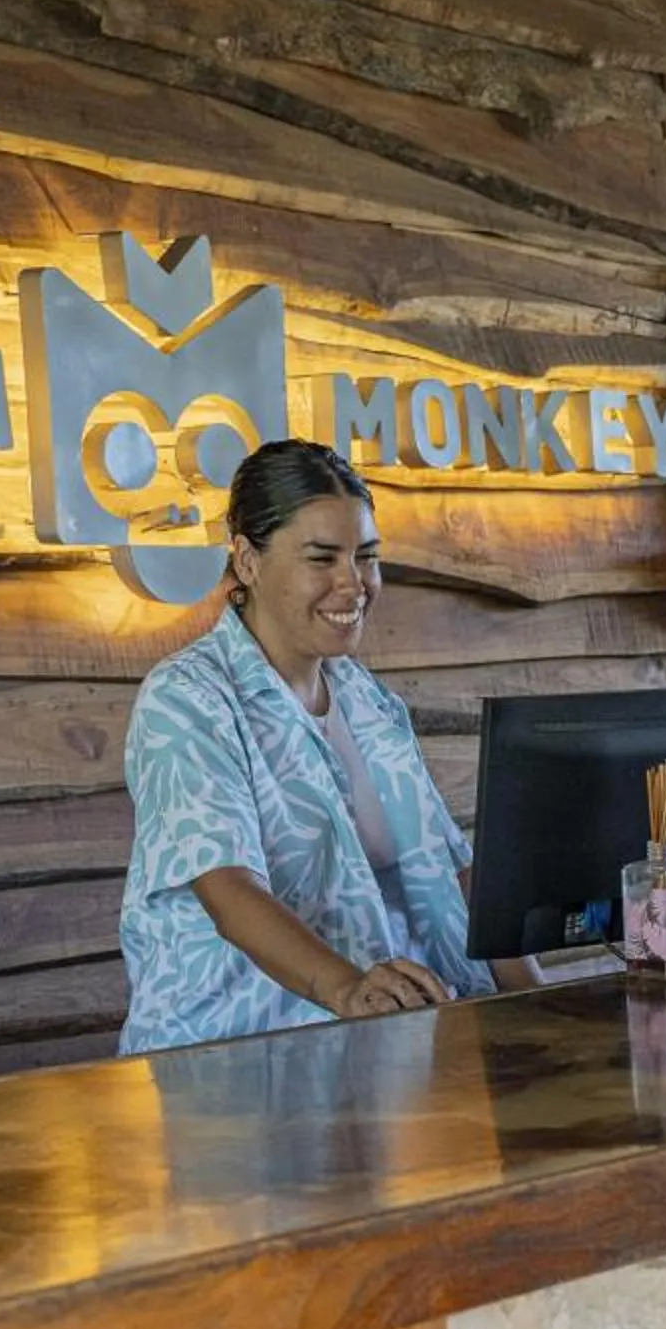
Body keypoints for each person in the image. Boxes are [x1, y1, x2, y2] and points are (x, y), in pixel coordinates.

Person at [118, 439, 494, 1053]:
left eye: (366, 557)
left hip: (387, 1054)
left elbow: (453, 872)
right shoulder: (187, 699)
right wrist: (348, 991)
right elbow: (230, 891)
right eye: (323, 559)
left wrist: (541, 1002)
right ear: (247, 560)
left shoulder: (366, 699)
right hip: (231, 1062)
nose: (355, 584)